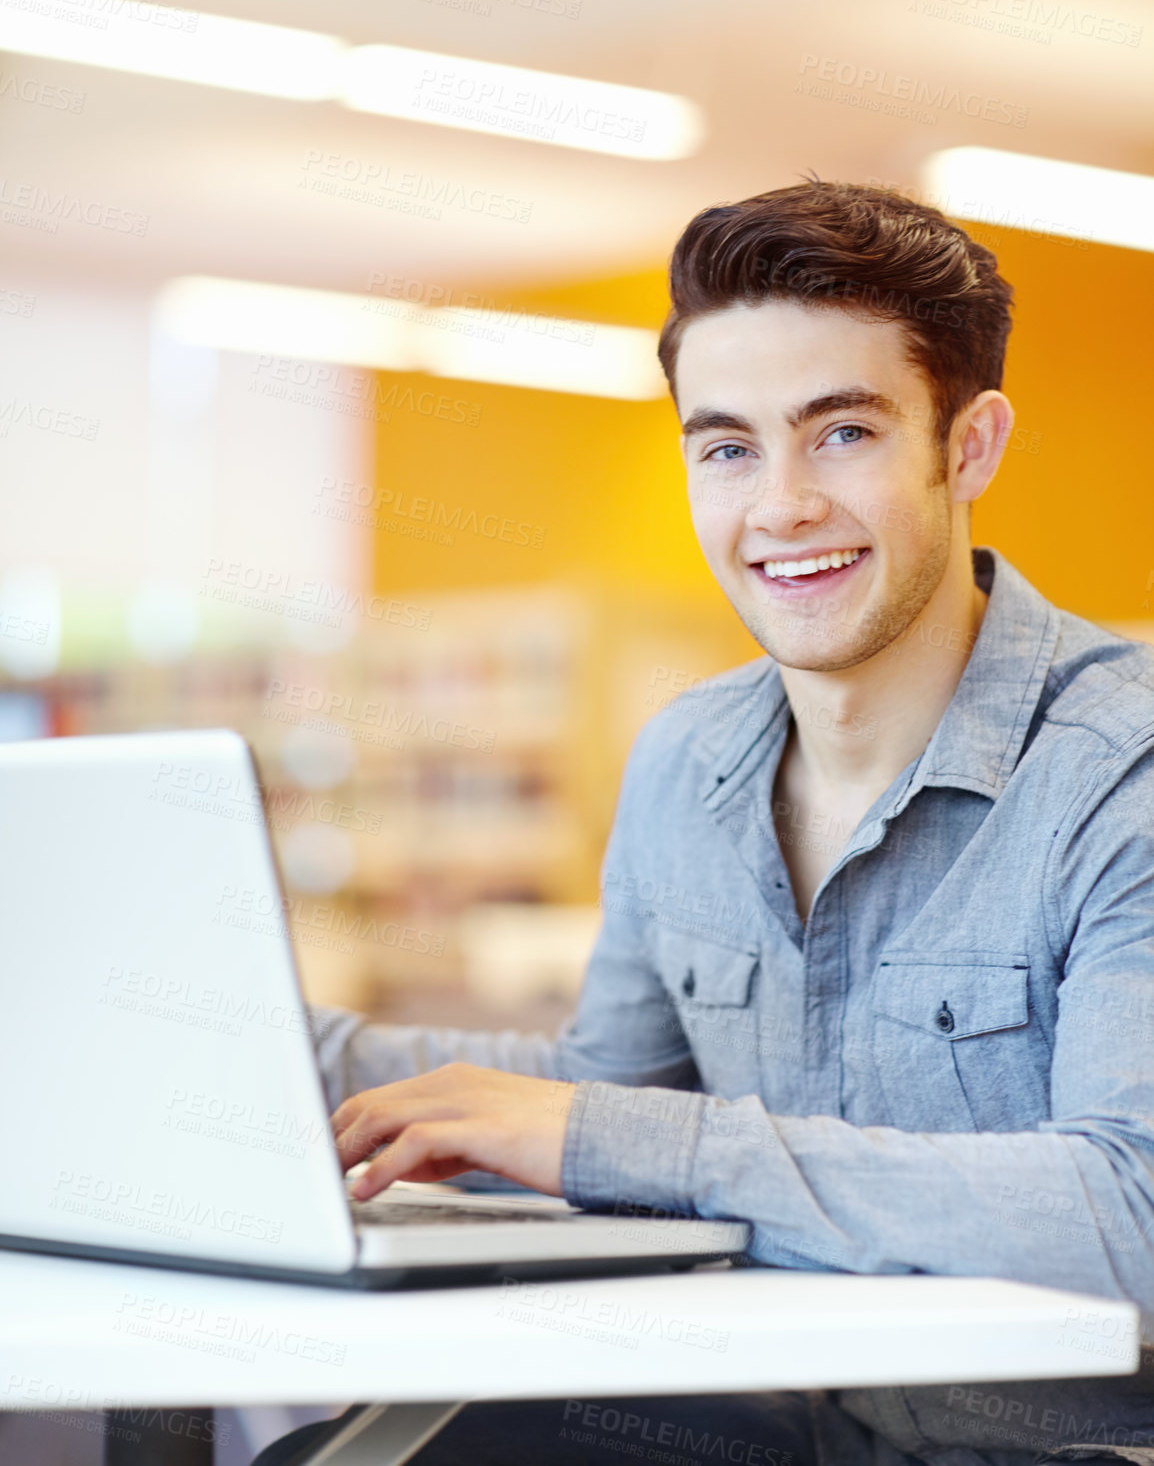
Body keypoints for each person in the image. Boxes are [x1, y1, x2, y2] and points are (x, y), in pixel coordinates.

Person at [257, 180, 1154, 1465]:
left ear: (968, 446)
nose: (777, 506)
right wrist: (261, 1052)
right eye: (726, 447)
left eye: (839, 434)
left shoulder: (1118, 764)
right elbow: (615, 1098)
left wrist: (605, 1133)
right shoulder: (686, 760)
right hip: (784, 1412)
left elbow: (1128, 1209)